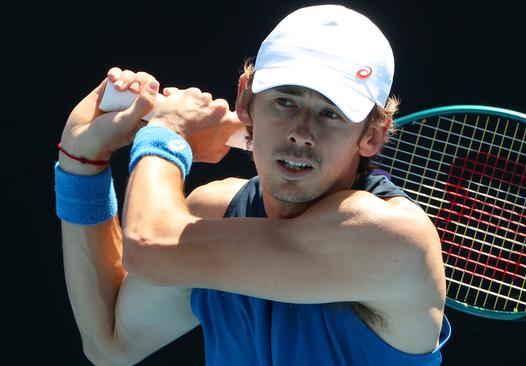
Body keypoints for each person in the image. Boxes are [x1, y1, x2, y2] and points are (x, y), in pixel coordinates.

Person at [55, 4, 450, 365]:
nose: (302, 133)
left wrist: (169, 134)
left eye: (331, 113)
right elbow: (108, 345)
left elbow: (150, 249)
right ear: (245, 99)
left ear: (373, 136)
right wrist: (82, 160)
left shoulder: (389, 238)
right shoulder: (211, 212)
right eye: (285, 101)